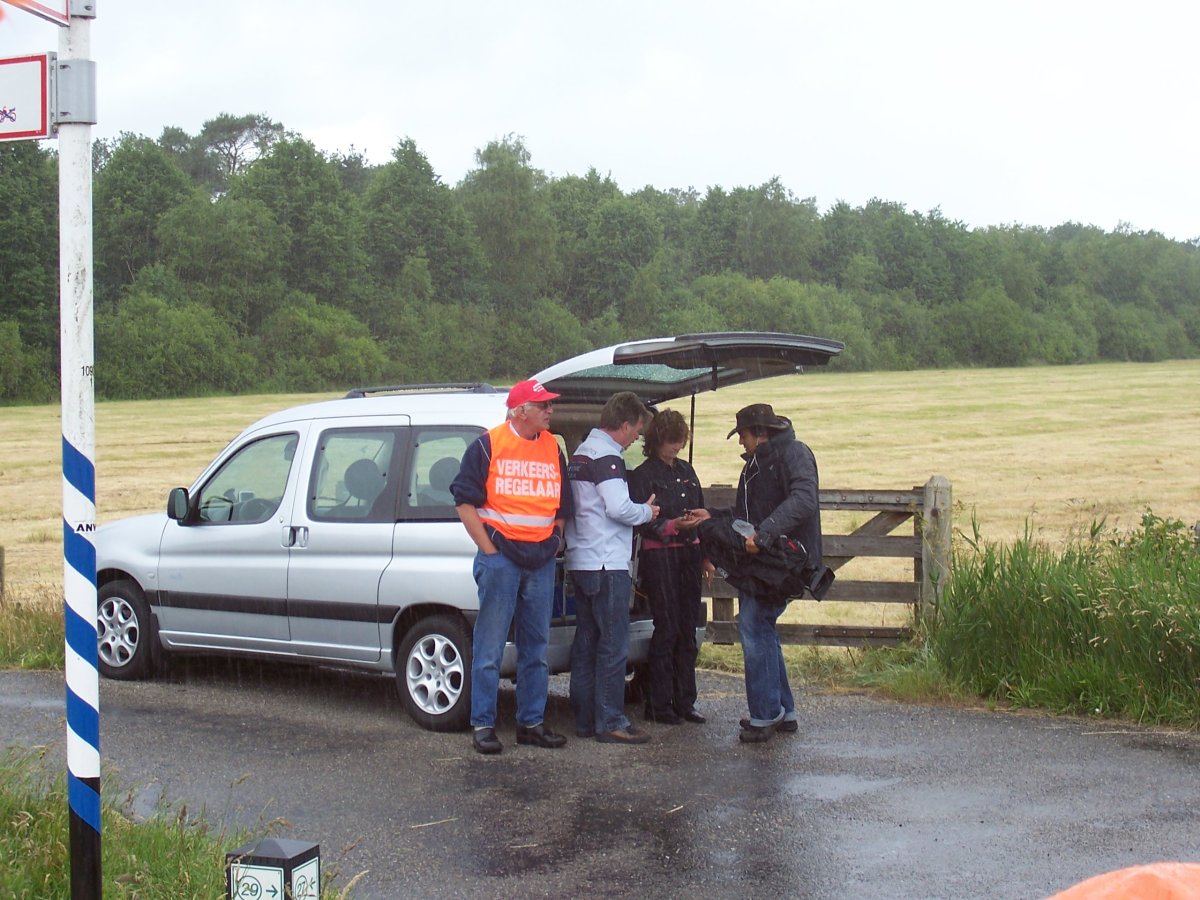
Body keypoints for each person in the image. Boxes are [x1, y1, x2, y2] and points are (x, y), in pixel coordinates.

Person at [450, 378, 573, 755]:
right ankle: (484, 725)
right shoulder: (488, 445)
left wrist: (554, 541)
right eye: (543, 405)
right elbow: (464, 503)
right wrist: (489, 551)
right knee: (489, 647)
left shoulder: (552, 447)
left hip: (540, 561)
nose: (550, 410)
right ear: (521, 411)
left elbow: (562, 505)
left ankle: (531, 724)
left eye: (550, 404)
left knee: (536, 648)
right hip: (501, 560)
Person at [690, 403, 824, 744]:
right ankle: (783, 710)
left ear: (761, 433)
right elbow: (747, 515)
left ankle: (765, 714)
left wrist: (764, 535)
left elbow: (804, 500)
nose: (741, 442)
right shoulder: (758, 463)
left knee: (753, 624)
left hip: (784, 562)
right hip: (768, 561)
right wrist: (713, 515)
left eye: (744, 435)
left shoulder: (795, 453)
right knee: (761, 626)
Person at [565, 391, 659, 745]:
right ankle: (610, 720)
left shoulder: (580, 454)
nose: (636, 437)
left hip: (582, 559)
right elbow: (618, 508)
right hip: (607, 562)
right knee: (613, 644)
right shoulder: (607, 457)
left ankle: (585, 719)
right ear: (624, 425)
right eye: (636, 430)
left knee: (587, 642)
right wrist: (647, 511)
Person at [629, 409, 709, 726]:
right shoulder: (642, 475)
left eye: (680, 441)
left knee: (687, 629)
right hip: (660, 557)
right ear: (657, 440)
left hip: (690, 554)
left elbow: (701, 512)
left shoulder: (687, 470)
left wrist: (707, 556)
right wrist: (673, 525)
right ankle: (659, 703)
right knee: (667, 628)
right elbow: (641, 521)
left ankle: (685, 701)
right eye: (671, 441)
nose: (676, 447)